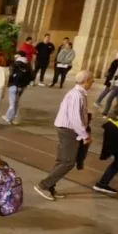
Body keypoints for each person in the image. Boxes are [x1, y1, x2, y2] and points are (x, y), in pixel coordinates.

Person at [34, 70, 94, 201]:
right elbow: (74, 118)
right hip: (68, 130)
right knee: (68, 162)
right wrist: (85, 135)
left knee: (62, 161)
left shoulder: (79, 94)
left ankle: (50, 186)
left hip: (69, 129)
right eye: (92, 81)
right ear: (86, 81)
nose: (93, 83)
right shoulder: (76, 95)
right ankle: (43, 185)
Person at [4, 52, 33, 125]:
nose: (15, 56)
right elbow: (32, 76)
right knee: (16, 102)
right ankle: (12, 118)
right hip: (22, 86)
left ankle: (9, 117)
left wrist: (8, 83)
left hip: (13, 85)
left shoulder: (15, 64)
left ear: (19, 56)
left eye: (16, 55)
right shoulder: (28, 64)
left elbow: (10, 75)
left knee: (12, 103)